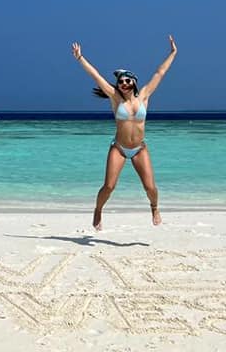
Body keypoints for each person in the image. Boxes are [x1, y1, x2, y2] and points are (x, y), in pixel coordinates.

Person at [71, 36, 178, 230]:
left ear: (134, 83)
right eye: (121, 82)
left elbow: (160, 73)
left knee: (150, 188)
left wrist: (173, 53)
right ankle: (98, 210)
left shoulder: (144, 95)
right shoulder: (115, 99)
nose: (124, 84)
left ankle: (154, 208)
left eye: (128, 81)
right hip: (119, 148)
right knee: (109, 187)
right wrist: (80, 58)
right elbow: (96, 76)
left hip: (139, 149)